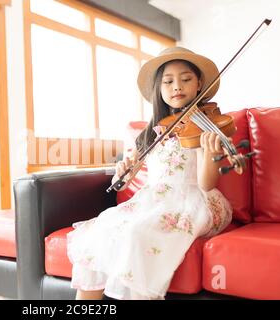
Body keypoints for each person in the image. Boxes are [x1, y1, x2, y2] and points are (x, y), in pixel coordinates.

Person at [66, 47, 233, 300]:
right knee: (100, 230)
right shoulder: (151, 133)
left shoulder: (202, 126)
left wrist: (210, 153)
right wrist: (121, 174)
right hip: (154, 199)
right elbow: (122, 185)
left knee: (137, 233)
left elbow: (206, 184)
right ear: (159, 89)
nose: (177, 86)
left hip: (195, 200)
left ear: (199, 85)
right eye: (168, 81)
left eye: (186, 79)